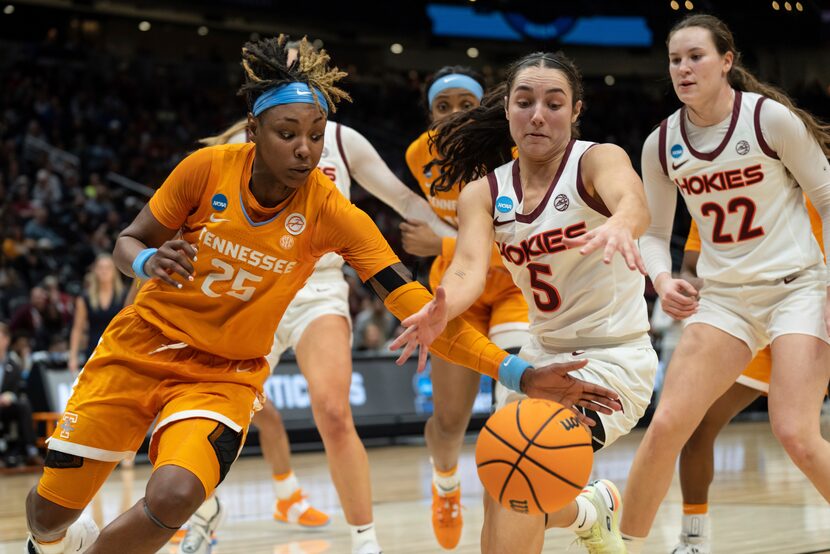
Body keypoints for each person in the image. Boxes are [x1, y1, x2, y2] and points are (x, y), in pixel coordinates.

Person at [24, 36, 620, 554]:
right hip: (139, 348)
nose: (306, 150)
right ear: (254, 131)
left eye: (315, 135)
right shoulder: (204, 170)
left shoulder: (333, 213)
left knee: (176, 490)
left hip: (224, 376)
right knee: (46, 517)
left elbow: (420, 307)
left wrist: (518, 374)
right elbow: (128, 240)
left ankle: (362, 534)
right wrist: (149, 261)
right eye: (289, 135)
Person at [392, 51, 657, 554]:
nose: (539, 113)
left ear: (576, 110)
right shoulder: (483, 193)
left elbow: (632, 200)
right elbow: (468, 267)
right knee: (501, 483)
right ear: (508, 109)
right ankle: (588, 510)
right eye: (525, 101)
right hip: (543, 353)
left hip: (612, 357)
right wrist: (441, 307)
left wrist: (622, 222)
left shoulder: (596, 159)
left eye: (554, 103)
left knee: (524, 465)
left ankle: (587, 508)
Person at [179, 94, 455, 554]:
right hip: (253, 287)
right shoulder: (238, 141)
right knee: (220, 413)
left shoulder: (343, 142)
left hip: (319, 288)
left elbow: (402, 198)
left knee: (332, 411)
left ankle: (365, 542)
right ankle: (203, 515)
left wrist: (461, 239)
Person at [620, 14, 830, 553]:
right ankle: (619, 543)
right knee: (667, 425)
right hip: (726, 300)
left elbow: (827, 199)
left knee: (797, 435)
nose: (684, 68)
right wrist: (662, 279)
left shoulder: (769, 120)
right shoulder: (660, 142)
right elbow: (656, 232)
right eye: (675, 59)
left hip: (796, 289)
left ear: (727, 61)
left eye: (696, 56)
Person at [401, 66, 532, 550]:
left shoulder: (516, 150)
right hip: (454, 292)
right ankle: (446, 483)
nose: (454, 114)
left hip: (515, 285)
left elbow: (517, 238)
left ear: (485, 109)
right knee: (450, 420)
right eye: (443, 106)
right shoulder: (418, 155)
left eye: (465, 105)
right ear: (429, 114)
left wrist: (439, 242)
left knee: (511, 407)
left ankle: (502, 509)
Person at [671, 206, 825, 554]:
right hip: (753, 322)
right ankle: (693, 541)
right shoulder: (711, 182)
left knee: (801, 438)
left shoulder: (811, 176)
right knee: (698, 425)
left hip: (812, 312)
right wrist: (688, 285)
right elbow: (692, 265)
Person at [68, 254, 128, 375]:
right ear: (95, 270)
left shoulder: (124, 296)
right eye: (100, 267)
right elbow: (77, 329)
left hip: (118, 351)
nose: (104, 271)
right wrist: (73, 356)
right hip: (93, 351)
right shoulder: (85, 298)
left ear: (114, 271)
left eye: (107, 268)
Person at [0, 322, 43, 467]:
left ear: (6, 340)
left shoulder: (13, 363)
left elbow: (19, 389)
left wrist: (10, 396)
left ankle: (30, 451)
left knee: (24, 404)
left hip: (5, 407)